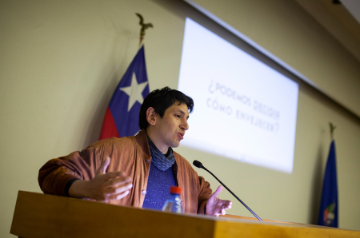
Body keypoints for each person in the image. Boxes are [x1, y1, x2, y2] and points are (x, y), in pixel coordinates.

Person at [38, 87, 232, 216]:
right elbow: (51, 172)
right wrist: (86, 188)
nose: (186, 126)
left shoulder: (186, 170)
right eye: (178, 116)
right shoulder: (112, 151)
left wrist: (206, 206)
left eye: (187, 119)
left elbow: (203, 193)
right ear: (152, 116)